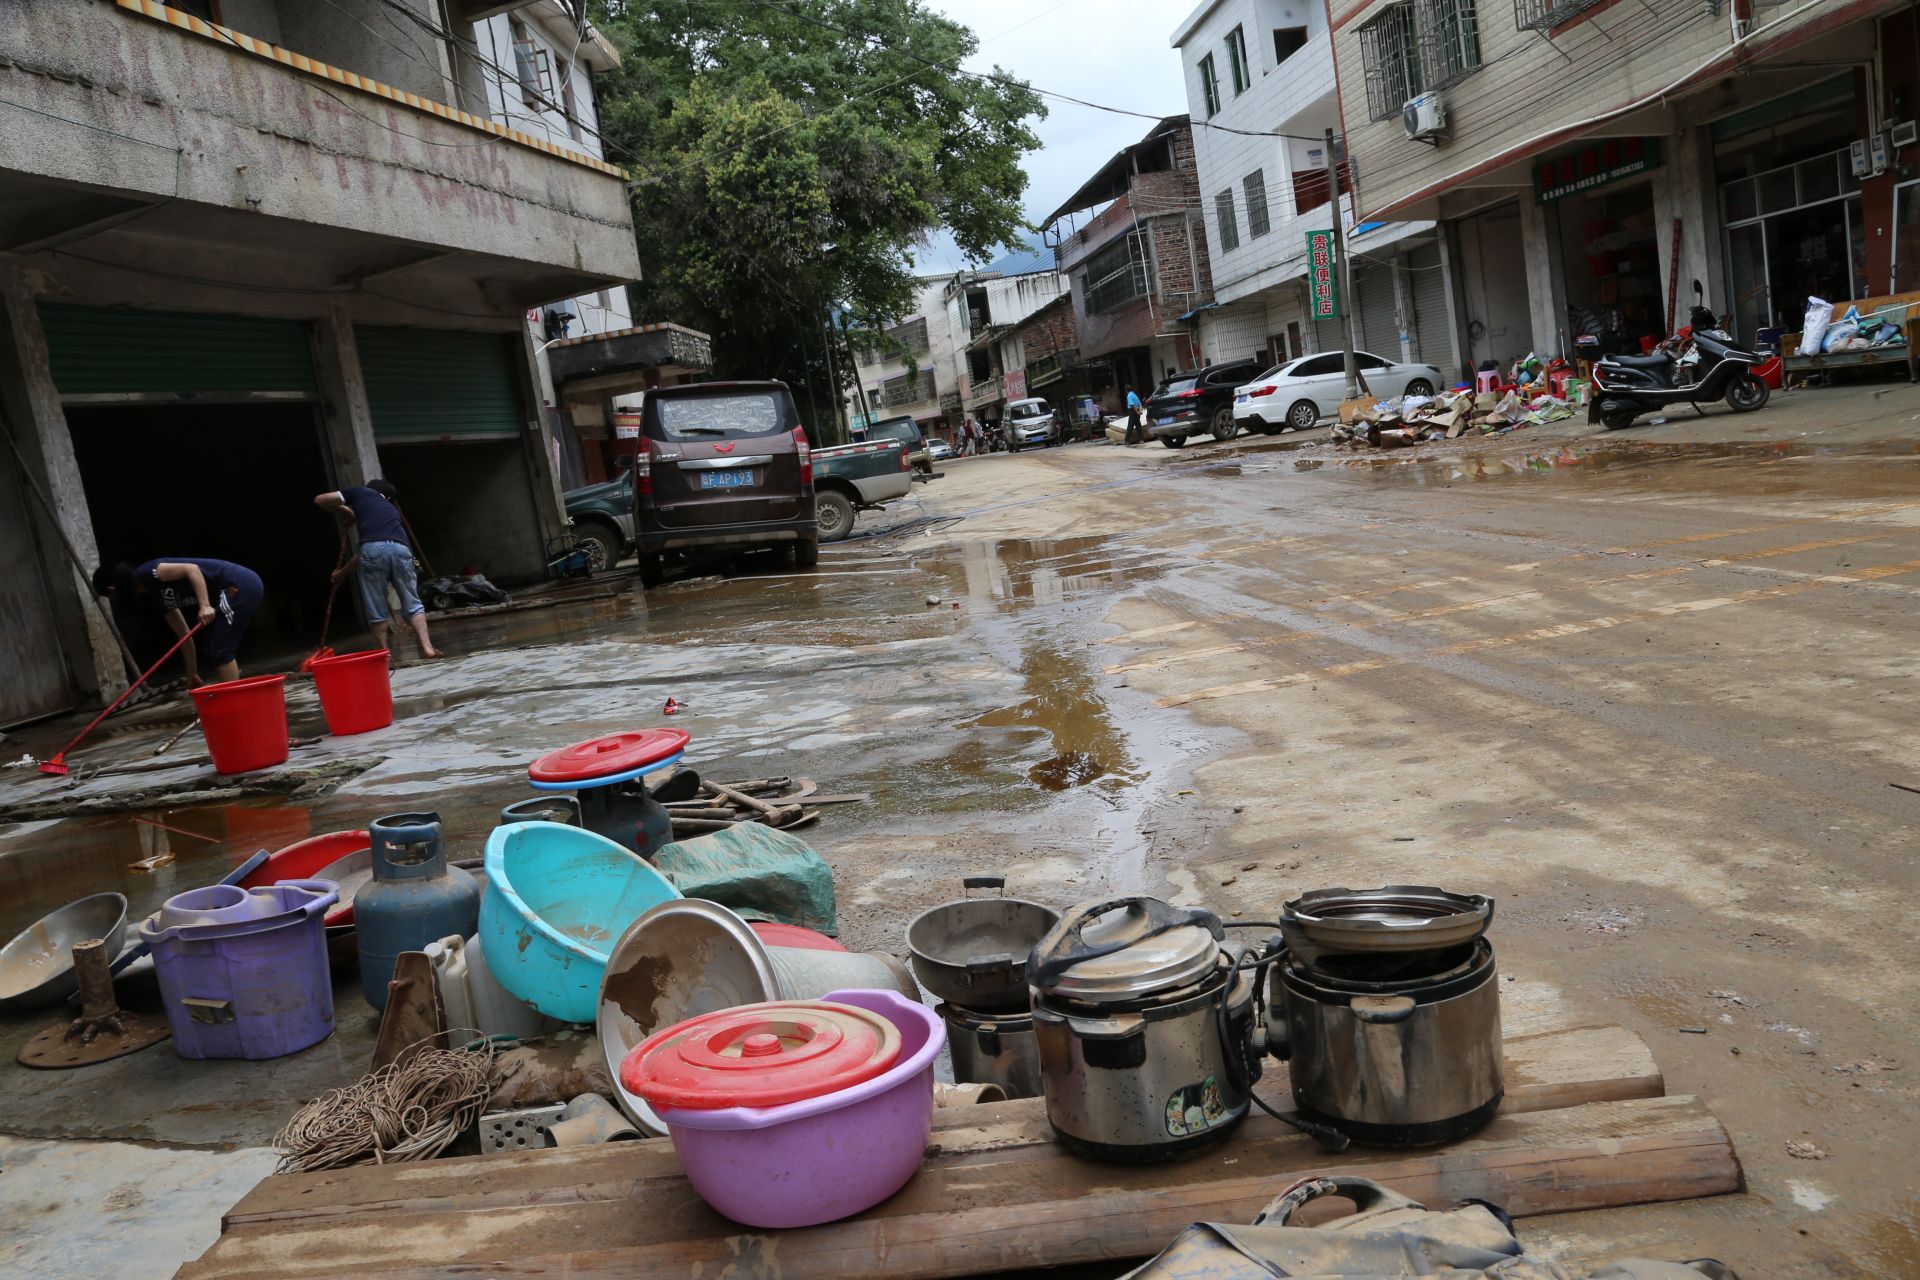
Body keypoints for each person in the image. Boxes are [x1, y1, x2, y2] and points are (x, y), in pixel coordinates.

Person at [314, 479, 442, 660]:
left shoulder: (360, 493)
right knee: (413, 603)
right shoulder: (391, 511)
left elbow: (320, 500)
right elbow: (379, 550)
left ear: (370, 490)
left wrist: (345, 509)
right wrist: (343, 573)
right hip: (402, 551)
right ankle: (427, 647)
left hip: (372, 551)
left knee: (376, 607)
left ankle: (385, 654)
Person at [91, 557, 262, 686]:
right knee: (215, 648)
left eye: (110, 597)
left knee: (219, 649)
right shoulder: (154, 597)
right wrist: (192, 674)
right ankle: (235, 693)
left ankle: (235, 700)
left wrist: (204, 605)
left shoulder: (150, 572)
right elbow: (184, 636)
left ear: (112, 590)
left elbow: (192, 569)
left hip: (236, 586)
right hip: (232, 591)